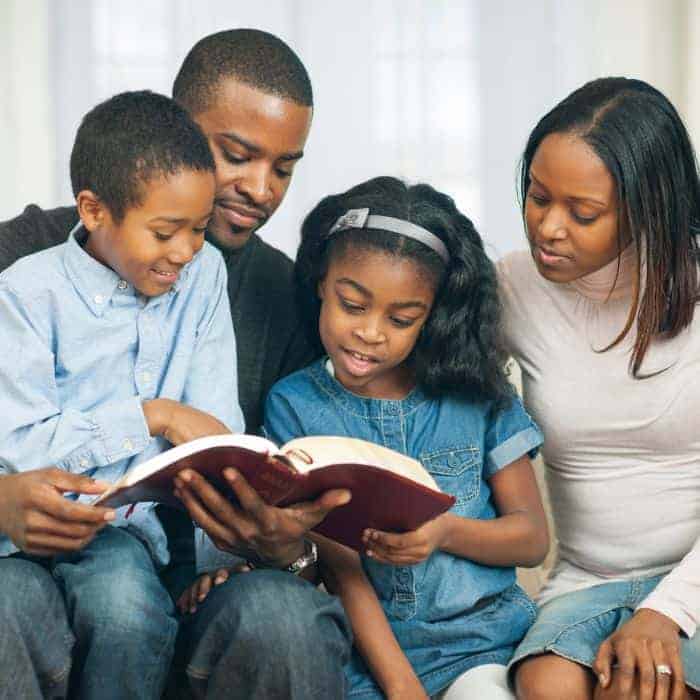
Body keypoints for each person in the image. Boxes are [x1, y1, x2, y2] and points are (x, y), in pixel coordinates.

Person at [0, 29, 352, 699]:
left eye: (284, 167)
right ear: (176, 133)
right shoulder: (21, 263)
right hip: (35, 567)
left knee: (281, 613)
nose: (260, 188)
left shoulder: (285, 296)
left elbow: (274, 468)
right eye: (237, 155)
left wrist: (283, 548)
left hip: (196, 586)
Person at [185, 176, 549, 698]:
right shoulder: (295, 405)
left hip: (481, 649)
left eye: (401, 319)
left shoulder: (478, 393)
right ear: (321, 284)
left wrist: (445, 533)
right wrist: (404, 691)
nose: (370, 332)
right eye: (352, 305)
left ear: (432, 315)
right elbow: (342, 568)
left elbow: (532, 538)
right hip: (365, 664)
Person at [0, 90, 241, 698]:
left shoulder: (204, 275)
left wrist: (223, 565)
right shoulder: (25, 293)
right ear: (94, 209)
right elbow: (23, 446)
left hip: (120, 534)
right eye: (165, 232)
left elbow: (217, 435)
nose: (185, 251)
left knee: (126, 611)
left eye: (199, 227)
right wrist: (153, 416)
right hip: (19, 528)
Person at [497, 77, 700, 700]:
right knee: (548, 688)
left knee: (639, 692)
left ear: (648, 209)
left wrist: (668, 612)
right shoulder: (512, 287)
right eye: (537, 197)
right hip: (586, 581)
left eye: (582, 213)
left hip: (694, 578)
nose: (549, 228)